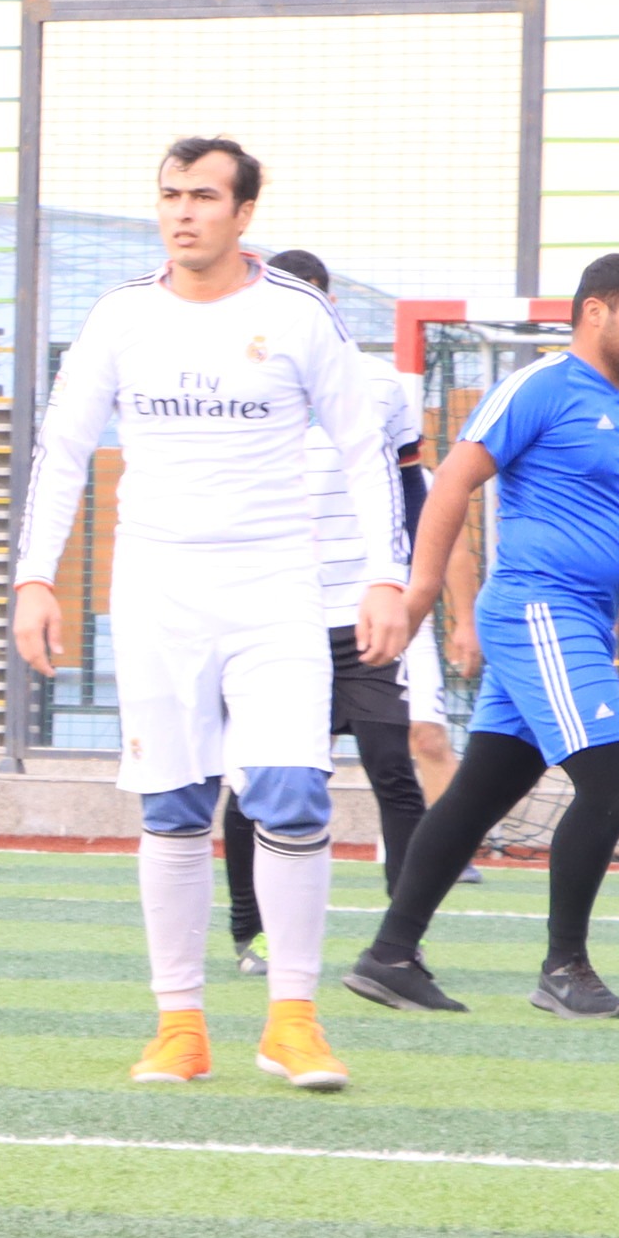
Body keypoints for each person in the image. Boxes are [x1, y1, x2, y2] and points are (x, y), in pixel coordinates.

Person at [15, 138, 407, 1096]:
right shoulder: (120, 317)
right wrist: (33, 579)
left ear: (243, 213)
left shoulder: (297, 313)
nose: (182, 212)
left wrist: (385, 578)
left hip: (276, 590)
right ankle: (180, 1027)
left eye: (202, 196)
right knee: (175, 805)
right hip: (158, 593)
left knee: (293, 791)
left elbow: (365, 450)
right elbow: (62, 450)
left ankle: (293, 1022)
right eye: (170, 195)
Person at [345, 252, 619, 1022]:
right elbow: (452, 479)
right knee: (613, 778)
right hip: (539, 611)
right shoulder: (539, 386)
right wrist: (421, 593)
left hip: (585, 624)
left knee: (480, 793)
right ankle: (565, 968)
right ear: (596, 311)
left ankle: (389, 956)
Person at [219, 249, 429, 971]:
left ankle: (402, 942)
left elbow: (411, 489)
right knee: (260, 779)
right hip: (276, 615)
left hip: (361, 616)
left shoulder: (381, 385)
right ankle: (249, 932)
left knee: (392, 768)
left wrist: (405, 583)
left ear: (329, 305)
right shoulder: (241, 382)